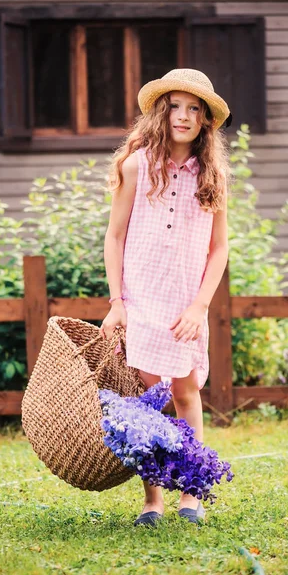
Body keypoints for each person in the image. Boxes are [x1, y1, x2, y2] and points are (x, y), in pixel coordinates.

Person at [99, 68, 232, 526]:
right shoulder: (135, 166)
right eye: (175, 106)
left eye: (195, 109)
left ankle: (191, 494)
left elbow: (219, 249)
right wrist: (117, 302)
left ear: (205, 122)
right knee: (146, 398)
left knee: (186, 389)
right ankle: (152, 499)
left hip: (184, 305)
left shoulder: (211, 175)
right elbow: (114, 238)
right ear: (161, 112)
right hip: (140, 300)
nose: (184, 115)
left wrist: (200, 307)